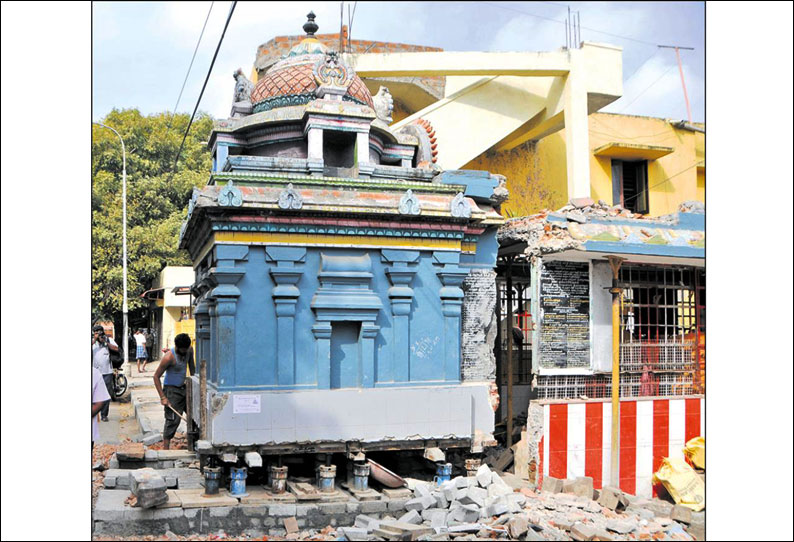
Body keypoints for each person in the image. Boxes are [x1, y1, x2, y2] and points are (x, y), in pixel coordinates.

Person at [153, 333, 195, 450]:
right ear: (177, 347)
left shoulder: (189, 350)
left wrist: (194, 387)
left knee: (194, 416)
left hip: (185, 388)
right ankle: (166, 448)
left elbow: (192, 369)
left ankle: (193, 444)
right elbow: (156, 377)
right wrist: (163, 397)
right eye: (182, 350)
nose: (185, 352)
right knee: (173, 420)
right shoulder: (169, 357)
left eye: (186, 349)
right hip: (171, 391)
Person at [92, 324, 118, 422]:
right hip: (95, 372)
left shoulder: (108, 340)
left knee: (106, 394)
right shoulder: (93, 343)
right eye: (96, 333)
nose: (99, 335)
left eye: (100, 332)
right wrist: (94, 339)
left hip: (107, 371)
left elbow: (116, 349)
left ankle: (104, 415)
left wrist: (106, 342)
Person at [92, 366, 111, 452]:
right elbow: (100, 402)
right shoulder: (95, 373)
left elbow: (100, 402)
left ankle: (104, 415)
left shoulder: (95, 374)